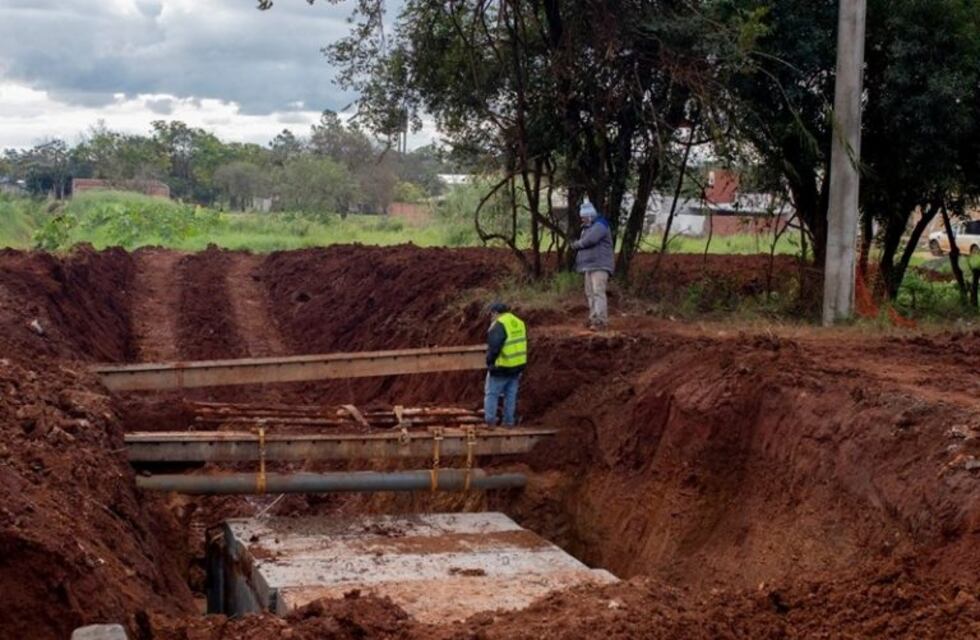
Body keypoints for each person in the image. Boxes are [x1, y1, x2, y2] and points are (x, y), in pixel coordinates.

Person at [570, 201, 614, 329]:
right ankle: (594, 318)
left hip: (600, 266)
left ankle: (600, 322)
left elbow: (590, 240)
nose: (582, 219)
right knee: (590, 293)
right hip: (589, 266)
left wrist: (576, 244)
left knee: (598, 292)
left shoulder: (600, 225)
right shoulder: (588, 227)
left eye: (583, 216)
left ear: (590, 215)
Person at [483, 302, 527, 427]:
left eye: (491, 314)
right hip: (517, 366)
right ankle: (508, 422)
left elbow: (494, 347)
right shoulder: (519, 322)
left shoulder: (498, 325)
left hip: (501, 366)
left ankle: (490, 421)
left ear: (495, 313)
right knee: (510, 395)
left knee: (492, 394)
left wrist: (490, 362)